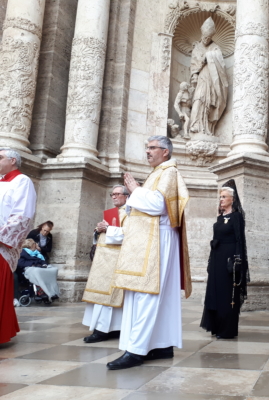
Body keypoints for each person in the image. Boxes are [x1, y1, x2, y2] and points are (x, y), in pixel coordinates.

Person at [106, 135, 192, 370]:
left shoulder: (169, 172)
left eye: (152, 148)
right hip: (147, 239)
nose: (147, 151)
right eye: (146, 147)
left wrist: (134, 190)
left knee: (147, 295)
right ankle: (161, 345)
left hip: (158, 239)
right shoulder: (157, 173)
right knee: (148, 295)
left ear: (166, 151)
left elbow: (157, 206)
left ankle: (136, 350)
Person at [201, 180, 249, 339]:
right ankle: (216, 326)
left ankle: (227, 330)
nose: (221, 199)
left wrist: (237, 261)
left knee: (227, 293)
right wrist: (210, 260)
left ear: (232, 200)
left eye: (224, 197)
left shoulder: (236, 217)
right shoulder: (220, 217)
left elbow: (239, 240)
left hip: (229, 259)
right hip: (217, 258)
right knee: (215, 292)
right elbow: (216, 237)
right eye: (220, 197)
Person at [81, 185, 129, 343]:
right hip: (103, 259)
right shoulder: (111, 212)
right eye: (112, 194)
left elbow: (129, 235)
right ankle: (108, 328)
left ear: (126, 196)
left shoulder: (131, 212)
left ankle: (103, 330)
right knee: (100, 293)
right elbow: (101, 233)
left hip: (116, 260)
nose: (114, 197)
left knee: (109, 296)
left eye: (117, 194)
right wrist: (99, 230)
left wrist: (108, 229)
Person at [0, 148, 37, 344]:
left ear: (13, 160)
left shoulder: (22, 181)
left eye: (0, 157)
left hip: (2, 246)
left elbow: (23, 215)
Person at [189, 17, 228, 135]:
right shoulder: (197, 47)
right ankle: (195, 124)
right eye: (205, 37)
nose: (206, 39)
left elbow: (220, 64)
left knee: (208, 101)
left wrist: (209, 56)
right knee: (198, 99)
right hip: (201, 77)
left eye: (208, 37)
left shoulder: (215, 47)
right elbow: (194, 63)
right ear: (202, 34)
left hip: (212, 77)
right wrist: (194, 74)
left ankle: (206, 127)